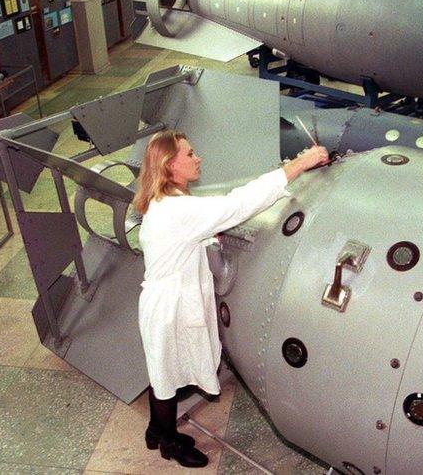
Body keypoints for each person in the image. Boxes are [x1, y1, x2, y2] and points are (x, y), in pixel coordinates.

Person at [133, 130, 328, 468]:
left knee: (162, 369)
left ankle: (154, 429)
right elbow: (238, 203)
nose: (198, 159)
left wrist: (212, 232)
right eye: (190, 155)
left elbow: (191, 233)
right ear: (170, 165)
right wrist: (301, 163)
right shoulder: (178, 211)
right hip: (171, 308)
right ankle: (168, 440)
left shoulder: (164, 203)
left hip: (163, 303)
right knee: (167, 375)